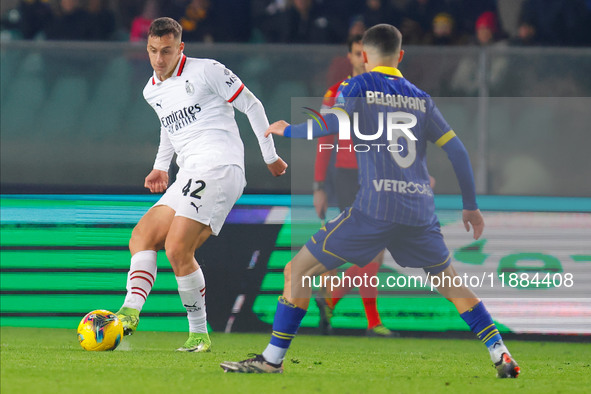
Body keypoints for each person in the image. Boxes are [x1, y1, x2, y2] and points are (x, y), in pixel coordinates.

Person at [220, 24, 520, 378]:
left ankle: (271, 359)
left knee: (296, 270)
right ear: (401, 56)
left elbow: (332, 123)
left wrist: (290, 130)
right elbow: (457, 151)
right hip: (420, 208)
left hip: (376, 207)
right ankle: (500, 353)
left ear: (363, 56)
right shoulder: (421, 97)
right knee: (450, 282)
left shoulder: (358, 84)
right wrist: (470, 205)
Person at [116, 17, 288, 353]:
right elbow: (169, 125)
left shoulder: (207, 70)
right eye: (152, 51)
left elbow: (251, 104)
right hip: (189, 172)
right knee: (142, 236)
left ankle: (198, 334)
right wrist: (160, 167)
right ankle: (129, 314)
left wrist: (269, 155)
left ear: (181, 48)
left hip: (221, 166)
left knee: (178, 248)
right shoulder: (151, 89)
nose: (159, 59)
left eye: (166, 51)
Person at [314, 34, 394, 337]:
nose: (363, 57)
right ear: (349, 57)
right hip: (347, 175)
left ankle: (332, 299)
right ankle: (370, 320)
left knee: (375, 248)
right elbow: (324, 138)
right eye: (357, 53)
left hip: (377, 173)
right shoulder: (336, 92)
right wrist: (319, 184)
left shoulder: (384, 91)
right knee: (374, 247)